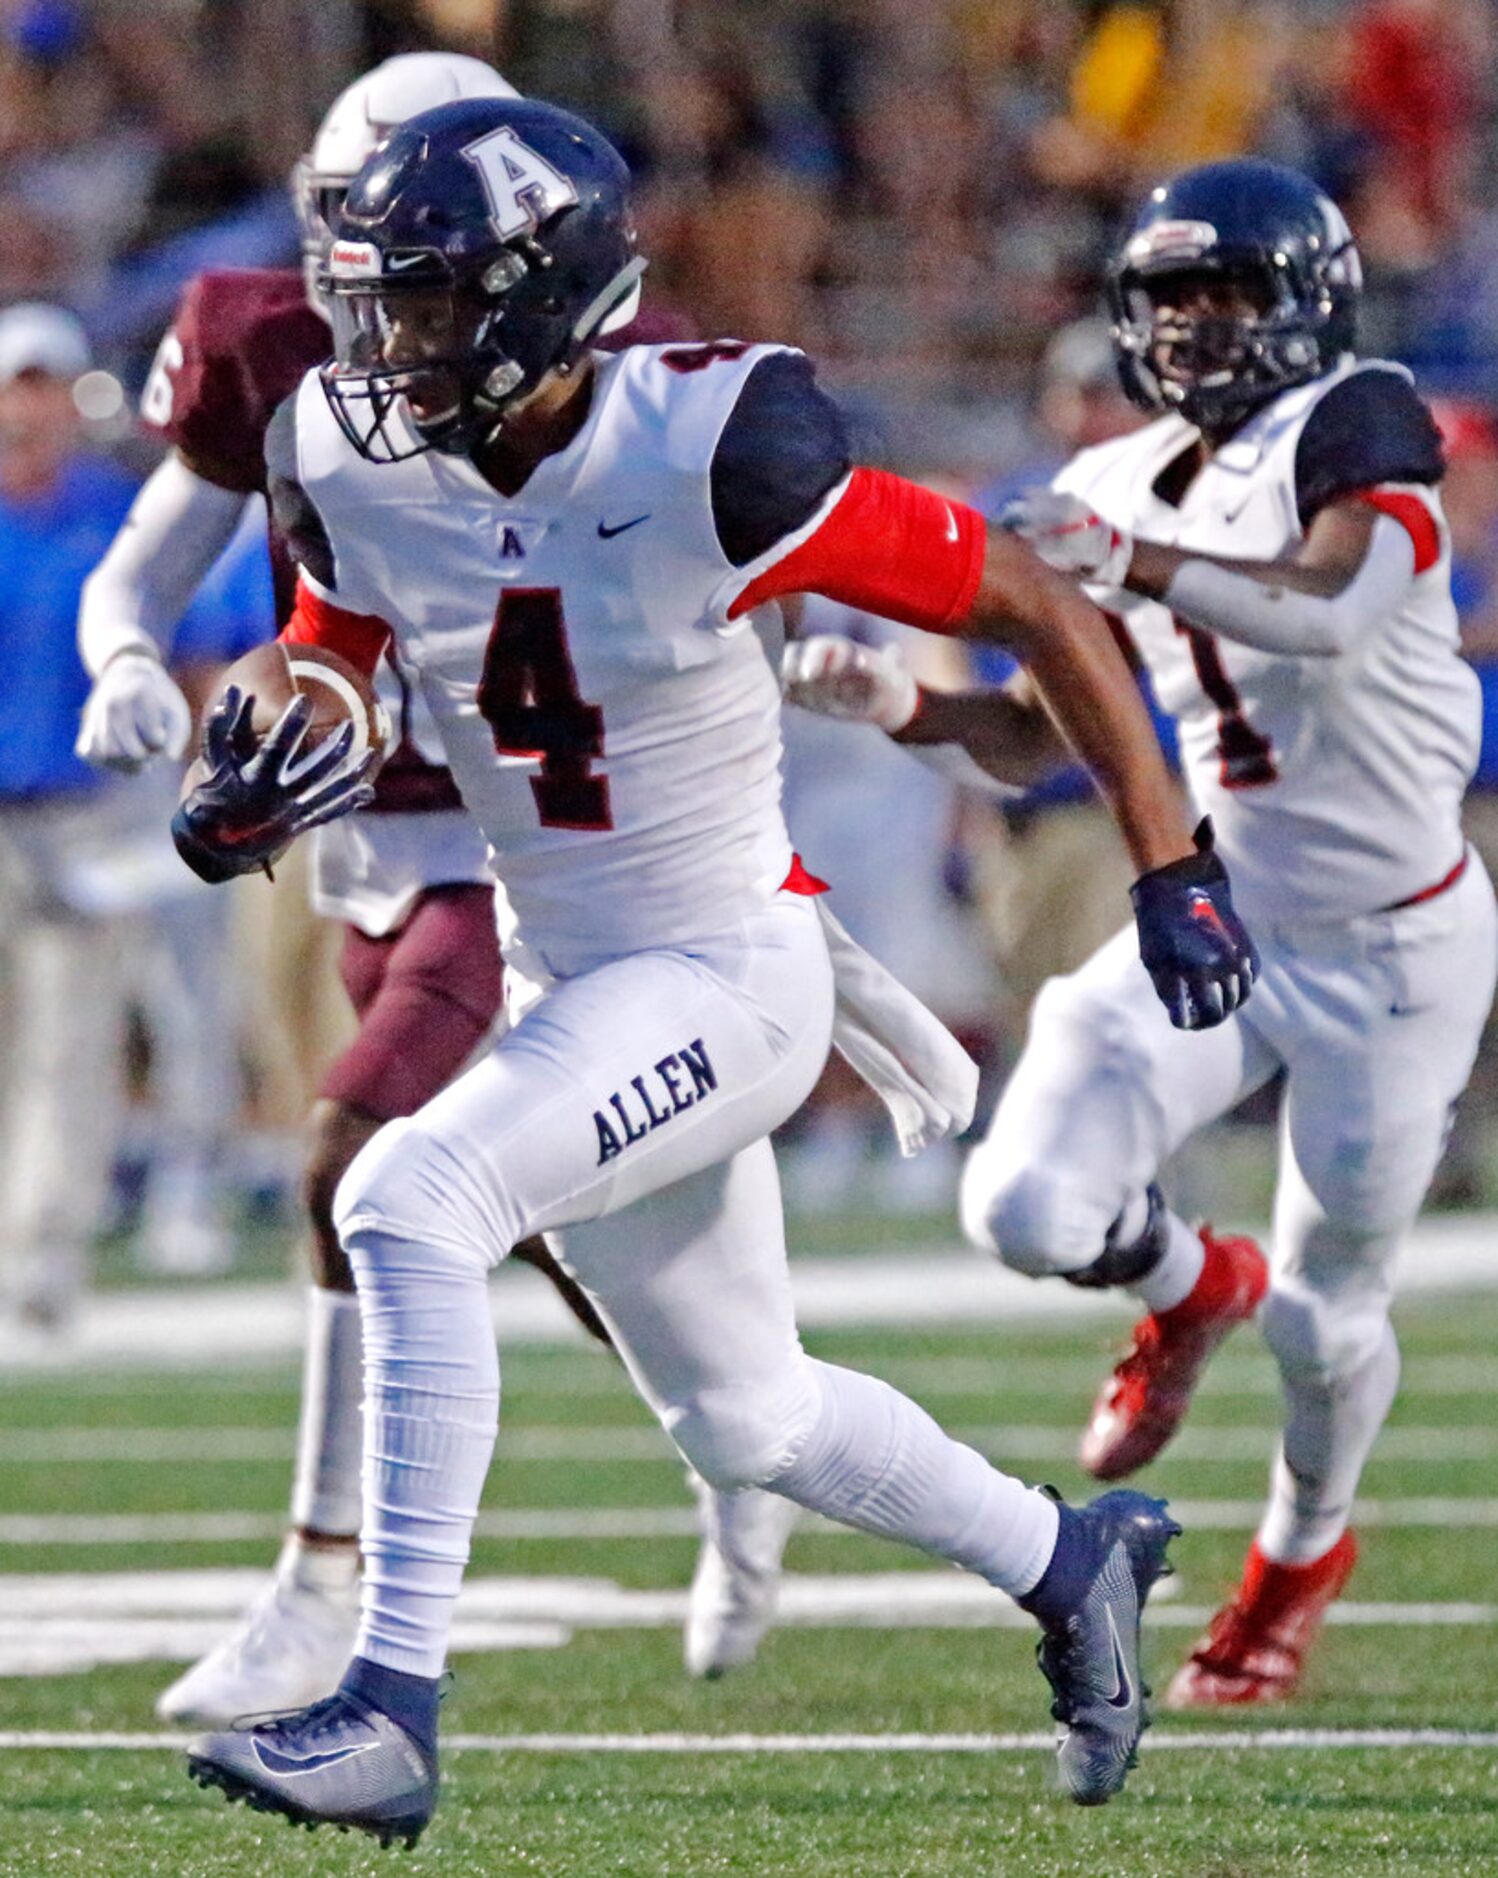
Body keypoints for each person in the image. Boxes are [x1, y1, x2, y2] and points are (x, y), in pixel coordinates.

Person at [172, 96, 1255, 1841]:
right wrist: (261, 765)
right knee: (748, 1414)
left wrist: (1171, 863)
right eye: (383, 304)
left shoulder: (715, 446)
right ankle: (1068, 1557)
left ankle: (384, 1702)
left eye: (432, 304)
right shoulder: (349, 449)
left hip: (727, 973)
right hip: (569, 976)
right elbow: (336, 647)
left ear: (541, 296)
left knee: (403, 1199)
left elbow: (1039, 612)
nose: (390, 344)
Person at [787, 158, 1495, 1709]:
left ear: (1301, 302)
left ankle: (1296, 1557)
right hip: (1227, 907)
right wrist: (895, 699)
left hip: (1396, 945)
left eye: (1228, 292)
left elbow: (1322, 607)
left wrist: (1136, 563)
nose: (1194, 326)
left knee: (1330, 1315)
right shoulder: (1106, 489)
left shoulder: (1358, 421)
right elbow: (1041, 732)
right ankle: (1185, 1283)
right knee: (1023, 1206)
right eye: (1171, 295)